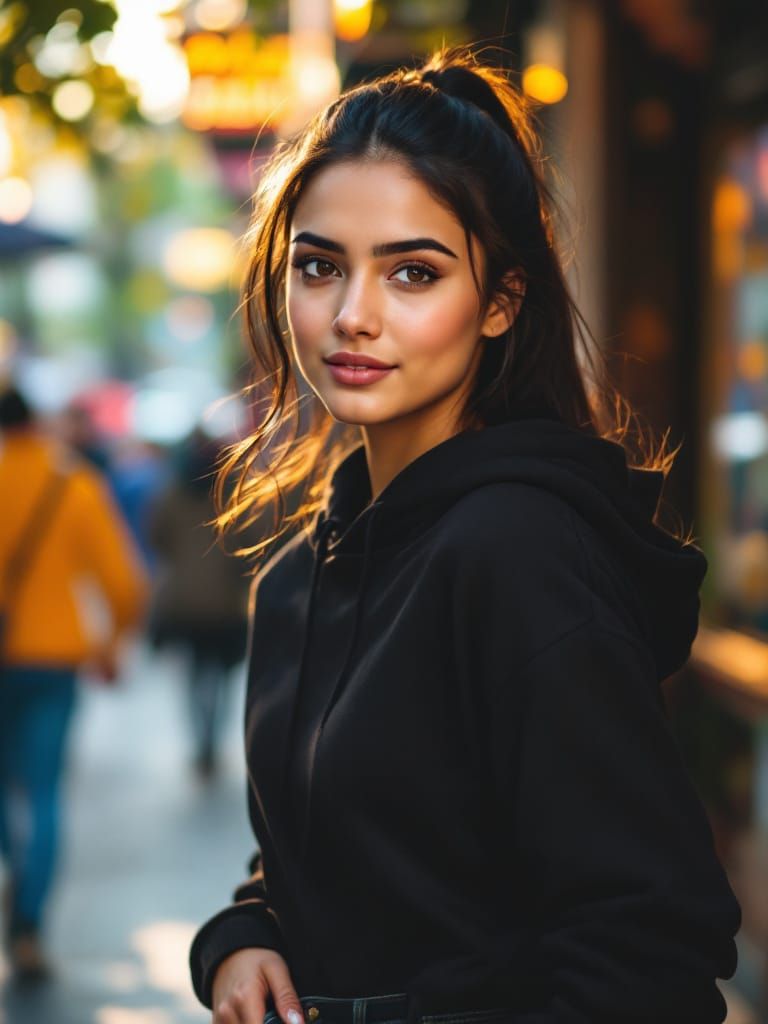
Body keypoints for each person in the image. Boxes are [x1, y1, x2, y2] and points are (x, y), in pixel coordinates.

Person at [188, 48, 742, 1024]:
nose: (352, 316)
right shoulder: (298, 575)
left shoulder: (519, 551)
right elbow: (339, 857)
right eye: (320, 266)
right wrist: (244, 934)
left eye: (413, 272)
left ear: (499, 303)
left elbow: (650, 952)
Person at [0, 384, 148, 980]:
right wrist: (112, 644)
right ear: (36, 424)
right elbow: (124, 581)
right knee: (44, 791)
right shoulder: (73, 483)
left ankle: (13, 870)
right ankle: (29, 920)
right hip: (53, 658)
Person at [147, 428, 252, 779]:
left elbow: (157, 538)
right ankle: (211, 738)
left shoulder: (171, 492)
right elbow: (251, 541)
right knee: (222, 676)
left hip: (184, 600)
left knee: (194, 675)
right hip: (226, 601)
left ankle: (200, 739)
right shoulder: (235, 493)